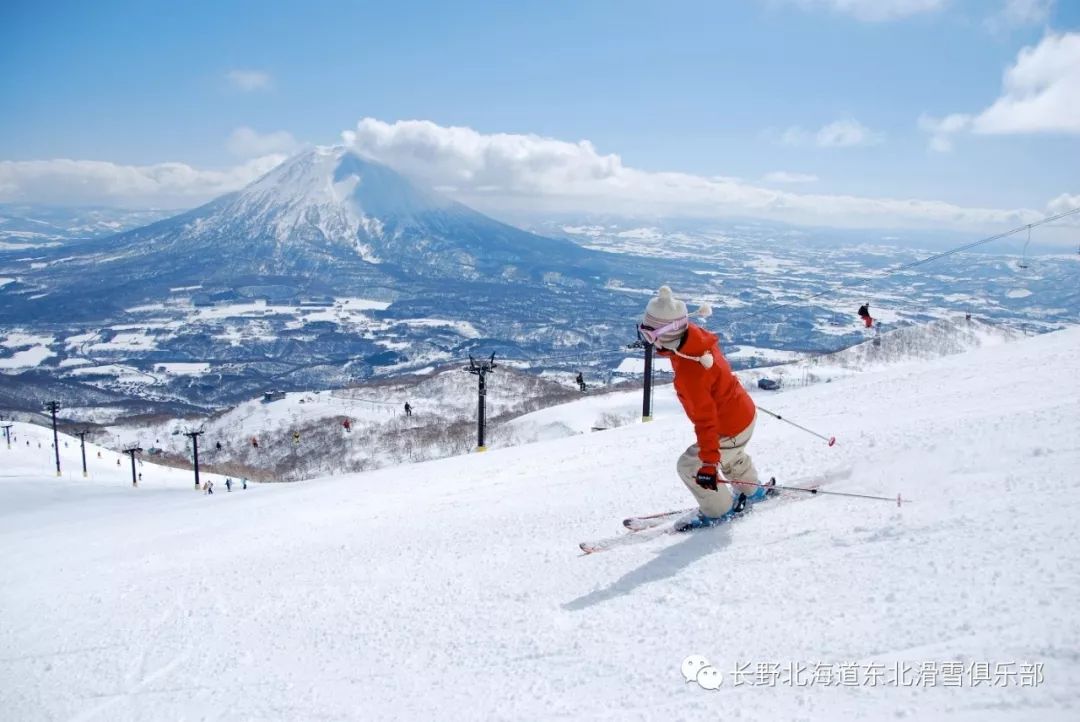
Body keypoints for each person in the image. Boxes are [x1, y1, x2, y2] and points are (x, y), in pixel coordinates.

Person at [639, 286, 766, 531]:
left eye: (649, 334)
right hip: (742, 413)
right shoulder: (694, 339)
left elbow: (706, 422)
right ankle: (752, 491)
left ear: (664, 334)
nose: (647, 341)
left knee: (689, 466)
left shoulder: (691, 372)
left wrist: (707, 465)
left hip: (727, 425)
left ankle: (720, 511)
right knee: (733, 454)